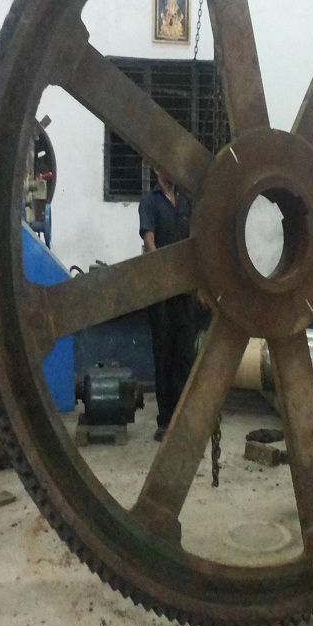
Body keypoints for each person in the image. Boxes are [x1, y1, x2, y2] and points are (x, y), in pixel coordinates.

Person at [138, 167, 197, 442]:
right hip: (161, 292)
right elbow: (149, 240)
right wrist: (165, 271)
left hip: (185, 291)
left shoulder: (186, 201)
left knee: (184, 354)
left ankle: (182, 419)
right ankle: (165, 421)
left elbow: (195, 238)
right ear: (156, 168)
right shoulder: (149, 202)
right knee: (164, 355)